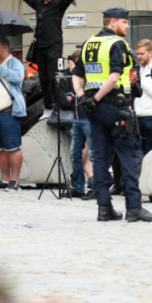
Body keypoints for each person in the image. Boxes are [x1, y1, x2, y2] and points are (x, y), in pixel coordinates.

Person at [71, 8, 152, 223]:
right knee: (129, 155)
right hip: (115, 106)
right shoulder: (117, 44)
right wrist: (96, 98)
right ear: (113, 22)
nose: (127, 26)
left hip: (95, 110)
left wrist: (84, 97)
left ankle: (104, 208)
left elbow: (76, 75)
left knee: (101, 157)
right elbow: (113, 78)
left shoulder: (89, 42)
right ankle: (134, 208)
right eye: (124, 22)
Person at [9, 0, 80, 115]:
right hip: (40, 46)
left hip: (53, 45)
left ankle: (59, 104)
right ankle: (48, 107)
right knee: (43, 78)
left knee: (54, 77)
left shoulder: (59, 3)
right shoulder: (39, 4)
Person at [0, 37, 26, 191]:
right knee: (0, 148)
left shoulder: (14, 62)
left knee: (13, 146)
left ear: (5, 49)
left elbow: (18, 78)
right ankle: (5, 179)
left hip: (9, 112)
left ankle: (15, 180)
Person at [66, 52, 96, 200]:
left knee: (93, 154)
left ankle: (96, 188)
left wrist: (74, 73)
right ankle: (78, 187)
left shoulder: (90, 72)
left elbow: (86, 88)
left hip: (89, 118)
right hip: (77, 118)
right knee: (74, 153)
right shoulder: (76, 75)